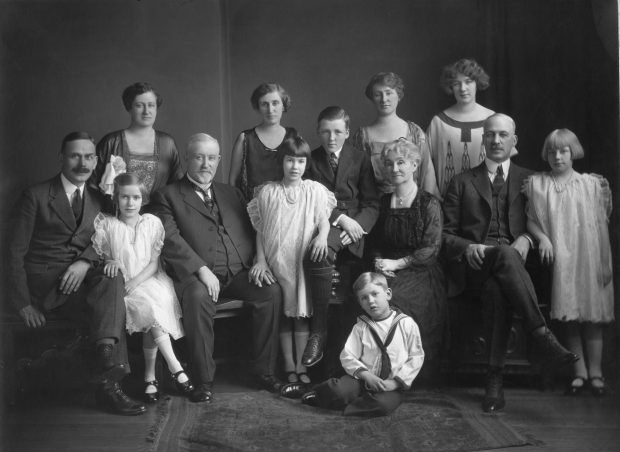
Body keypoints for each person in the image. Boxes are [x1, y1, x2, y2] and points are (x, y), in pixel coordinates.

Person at [442, 113, 579, 412]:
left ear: (513, 140)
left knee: (497, 288)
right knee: (502, 256)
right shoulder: (461, 182)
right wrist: (468, 247)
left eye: (503, 134)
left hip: (517, 271)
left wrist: (528, 239)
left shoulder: (531, 180)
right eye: (490, 134)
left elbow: (544, 224)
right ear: (483, 139)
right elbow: (446, 235)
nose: (495, 140)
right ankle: (541, 334)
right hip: (476, 267)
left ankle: (494, 381)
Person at [7, 132, 145, 415]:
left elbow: (104, 239)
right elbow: (12, 253)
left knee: (112, 277)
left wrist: (84, 262)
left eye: (88, 156)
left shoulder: (98, 198)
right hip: (46, 286)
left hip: (82, 281)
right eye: (75, 156)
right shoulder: (35, 196)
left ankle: (106, 356)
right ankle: (111, 385)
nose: (82, 163)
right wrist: (22, 304)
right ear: (61, 158)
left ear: (96, 160)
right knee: (111, 305)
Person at [150, 133, 283, 404]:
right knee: (198, 297)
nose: (205, 163)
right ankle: (203, 380)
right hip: (197, 276)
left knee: (271, 291)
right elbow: (170, 240)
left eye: (211, 158)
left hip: (239, 272)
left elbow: (255, 229)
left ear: (219, 160)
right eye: (199, 157)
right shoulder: (167, 195)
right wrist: (200, 269)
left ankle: (263, 372)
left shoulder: (231, 193)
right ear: (188, 159)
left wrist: (260, 260)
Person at [522, 129, 614, 396]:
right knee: (569, 314)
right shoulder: (538, 184)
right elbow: (532, 219)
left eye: (563, 151)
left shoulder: (591, 184)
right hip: (563, 257)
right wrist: (542, 239)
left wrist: (605, 261)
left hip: (590, 255)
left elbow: (601, 225)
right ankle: (579, 372)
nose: (557, 156)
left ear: (573, 152)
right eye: (552, 151)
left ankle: (596, 373)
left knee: (592, 315)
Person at [92, 173, 194, 403]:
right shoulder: (107, 225)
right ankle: (171, 370)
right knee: (150, 310)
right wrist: (111, 263)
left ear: (143, 199)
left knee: (153, 306)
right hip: (123, 288)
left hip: (149, 280)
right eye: (125, 197)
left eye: (136, 197)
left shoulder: (151, 223)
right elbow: (108, 259)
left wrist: (135, 282)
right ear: (116, 199)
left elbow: (153, 264)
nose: (130, 203)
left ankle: (158, 373)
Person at [247, 136, 336, 384]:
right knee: (285, 316)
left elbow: (323, 220)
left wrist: (323, 238)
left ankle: (302, 366)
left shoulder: (314, 191)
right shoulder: (268, 192)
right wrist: (262, 260)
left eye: (300, 161)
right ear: (281, 161)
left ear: (306, 163)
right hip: (278, 260)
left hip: (301, 261)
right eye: (289, 160)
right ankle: (288, 366)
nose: (295, 167)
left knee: (300, 314)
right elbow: (261, 231)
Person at [281, 272, 424, 417]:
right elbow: (347, 356)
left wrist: (395, 383)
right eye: (364, 298)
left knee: (382, 405)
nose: (371, 301)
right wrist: (366, 375)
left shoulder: (406, 324)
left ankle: (348, 404)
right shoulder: (361, 327)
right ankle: (314, 393)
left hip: (390, 385)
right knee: (338, 389)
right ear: (360, 303)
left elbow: (416, 357)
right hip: (362, 379)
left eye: (375, 294)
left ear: (388, 294)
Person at [303, 106, 380, 367]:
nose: (331, 137)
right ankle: (319, 331)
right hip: (326, 223)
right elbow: (310, 201)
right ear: (318, 132)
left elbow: (372, 203)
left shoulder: (360, 158)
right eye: (325, 131)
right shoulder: (310, 160)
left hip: (357, 230)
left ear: (347, 132)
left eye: (337, 131)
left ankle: (361, 356)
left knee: (357, 291)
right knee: (319, 252)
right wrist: (340, 218)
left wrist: (355, 226)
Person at [370, 138, 446, 380]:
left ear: (415, 164)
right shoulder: (383, 203)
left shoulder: (428, 203)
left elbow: (430, 250)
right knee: (368, 294)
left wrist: (397, 264)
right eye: (389, 164)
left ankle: (401, 374)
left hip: (420, 272)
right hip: (387, 270)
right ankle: (373, 369)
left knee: (398, 300)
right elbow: (374, 244)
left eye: (401, 163)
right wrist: (379, 263)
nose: (395, 169)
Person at [93, 82, 183, 210]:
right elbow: (92, 185)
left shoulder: (167, 143)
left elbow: (177, 187)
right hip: (116, 219)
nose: (147, 111)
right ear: (129, 108)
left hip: (157, 218)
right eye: (139, 105)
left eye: (151, 105)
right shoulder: (111, 142)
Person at [351, 72, 439, 197]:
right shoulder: (362, 137)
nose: (384, 99)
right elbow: (356, 179)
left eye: (388, 93)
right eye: (377, 95)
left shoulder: (414, 132)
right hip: (375, 208)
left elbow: (427, 173)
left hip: (412, 204)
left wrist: (426, 206)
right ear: (372, 98)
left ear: (398, 95)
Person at [427, 58, 497, 198]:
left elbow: (505, 162)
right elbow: (426, 164)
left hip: (486, 201)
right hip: (447, 202)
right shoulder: (439, 123)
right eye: (456, 84)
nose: (463, 88)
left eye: (468, 81)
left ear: (477, 83)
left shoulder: (494, 119)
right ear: (451, 87)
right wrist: (433, 196)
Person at [228, 82, 298, 200]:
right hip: (249, 209)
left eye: (275, 103)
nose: (270, 110)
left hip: (286, 209)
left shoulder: (293, 137)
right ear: (258, 107)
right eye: (264, 104)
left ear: (284, 105)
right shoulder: (245, 139)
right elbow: (232, 181)